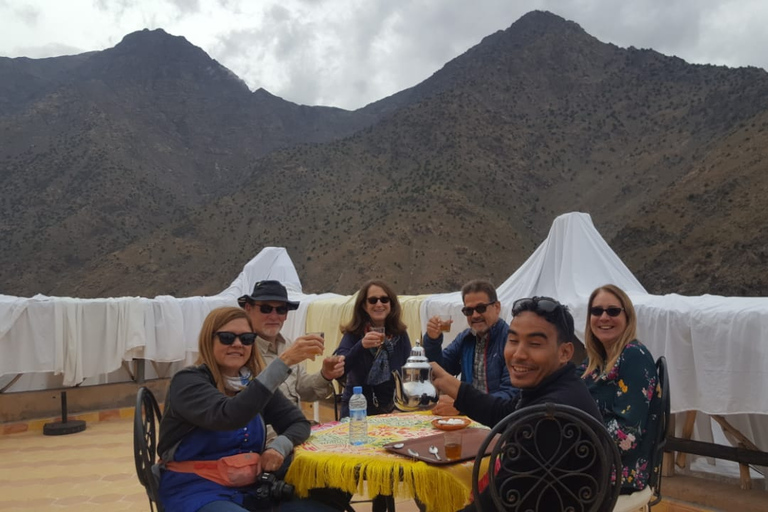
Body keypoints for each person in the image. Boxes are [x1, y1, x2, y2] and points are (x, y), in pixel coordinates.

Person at [431, 296, 602, 512]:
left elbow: (497, 504)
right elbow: (503, 412)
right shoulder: (556, 387)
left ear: (565, 352)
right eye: (513, 341)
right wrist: (449, 383)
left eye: (535, 344)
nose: (518, 354)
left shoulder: (549, 416)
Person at [157, 307, 337, 512]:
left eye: (246, 338)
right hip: (196, 489)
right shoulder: (188, 382)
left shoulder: (250, 385)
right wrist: (283, 362)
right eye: (226, 337)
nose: (237, 344)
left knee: (330, 495)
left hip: (253, 490)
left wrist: (278, 447)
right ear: (209, 340)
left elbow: (297, 422)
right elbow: (229, 415)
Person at [578, 284, 660, 496]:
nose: (604, 317)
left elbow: (626, 434)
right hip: (592, 461)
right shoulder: (596, 360)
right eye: (596, 311)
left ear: (627, 317)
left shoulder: (634, 357)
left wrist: (573, 448)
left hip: (616, 471)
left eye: (613, 311)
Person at [238, 280, 345, 421]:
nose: (274, 316)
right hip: (267, 436)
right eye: (266, 308)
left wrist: (325, 374)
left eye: (281, 309)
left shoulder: (287, 344)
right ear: (248, 309)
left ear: (286, 314)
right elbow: (244, 404)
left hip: (296, 428)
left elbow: (302, 389)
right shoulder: (241, 348)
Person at [423, 279, 517, 415]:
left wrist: (463, 405)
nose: (475, 315)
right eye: (469, 310)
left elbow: (511, 395)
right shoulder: (466, 338)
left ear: (497, 307)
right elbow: (439, 370)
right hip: (469, 419)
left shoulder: (511, 341)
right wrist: (433, 340)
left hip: (497, 423)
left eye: (481, 308)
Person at [334, 279, 412, 417]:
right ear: (364, 306)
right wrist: (361, 346)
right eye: (373, 300)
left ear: (391, 304)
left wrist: (400, 408)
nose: (379, 304)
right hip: (358, 411)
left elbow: (408, 373)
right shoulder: (354, 334)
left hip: (392, 411)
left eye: (384, 299)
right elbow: (340, 369)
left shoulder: (400, 335)